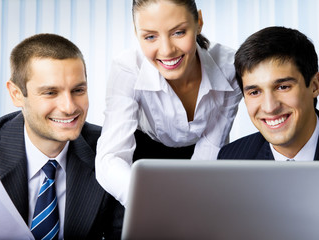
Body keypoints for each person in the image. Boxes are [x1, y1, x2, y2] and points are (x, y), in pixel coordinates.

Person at [95, 0, 242, 206]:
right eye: (150, 36)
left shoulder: (230, 67)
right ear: (136, 32)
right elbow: (111, 158)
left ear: (198, 22)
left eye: (178, 32)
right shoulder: (127, 67)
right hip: (143, 157)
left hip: (204, 155)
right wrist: (145, 202)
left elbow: (211, 145)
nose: (166, 50)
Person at [0, 33, 124, 239]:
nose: (69, 108)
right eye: (50, 92)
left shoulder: (111, 150)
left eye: (78, 90)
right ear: (16, 94)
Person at [218, 26, 319, 160]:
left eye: (283, 87)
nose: (270, 108)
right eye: (255, 92)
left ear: (315, 86)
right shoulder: (232, 158)